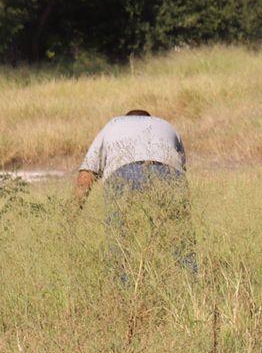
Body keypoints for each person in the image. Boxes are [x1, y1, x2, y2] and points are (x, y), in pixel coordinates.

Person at [74, 109, 196, 279]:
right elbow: (181, 171)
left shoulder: (113, 124)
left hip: (124, 172)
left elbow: (86, 175)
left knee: (120, 240)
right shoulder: (166, 125)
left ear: (127, 118)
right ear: (149, 118)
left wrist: (72, 214)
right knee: (178, 237)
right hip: (169, 172)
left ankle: (124, 292)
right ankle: (188, 283)